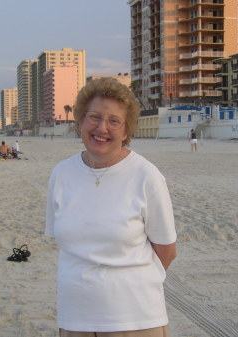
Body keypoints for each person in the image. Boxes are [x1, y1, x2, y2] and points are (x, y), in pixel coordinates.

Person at [45, 78, 177, 337]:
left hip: (135, 319)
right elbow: (67, 247)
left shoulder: (146, 176)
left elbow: (167, 252)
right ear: (80, 121)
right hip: (75, 318)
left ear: (126, 131)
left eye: (114, 121)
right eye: (94, 117)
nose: (101, 128)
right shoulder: (61, 174)